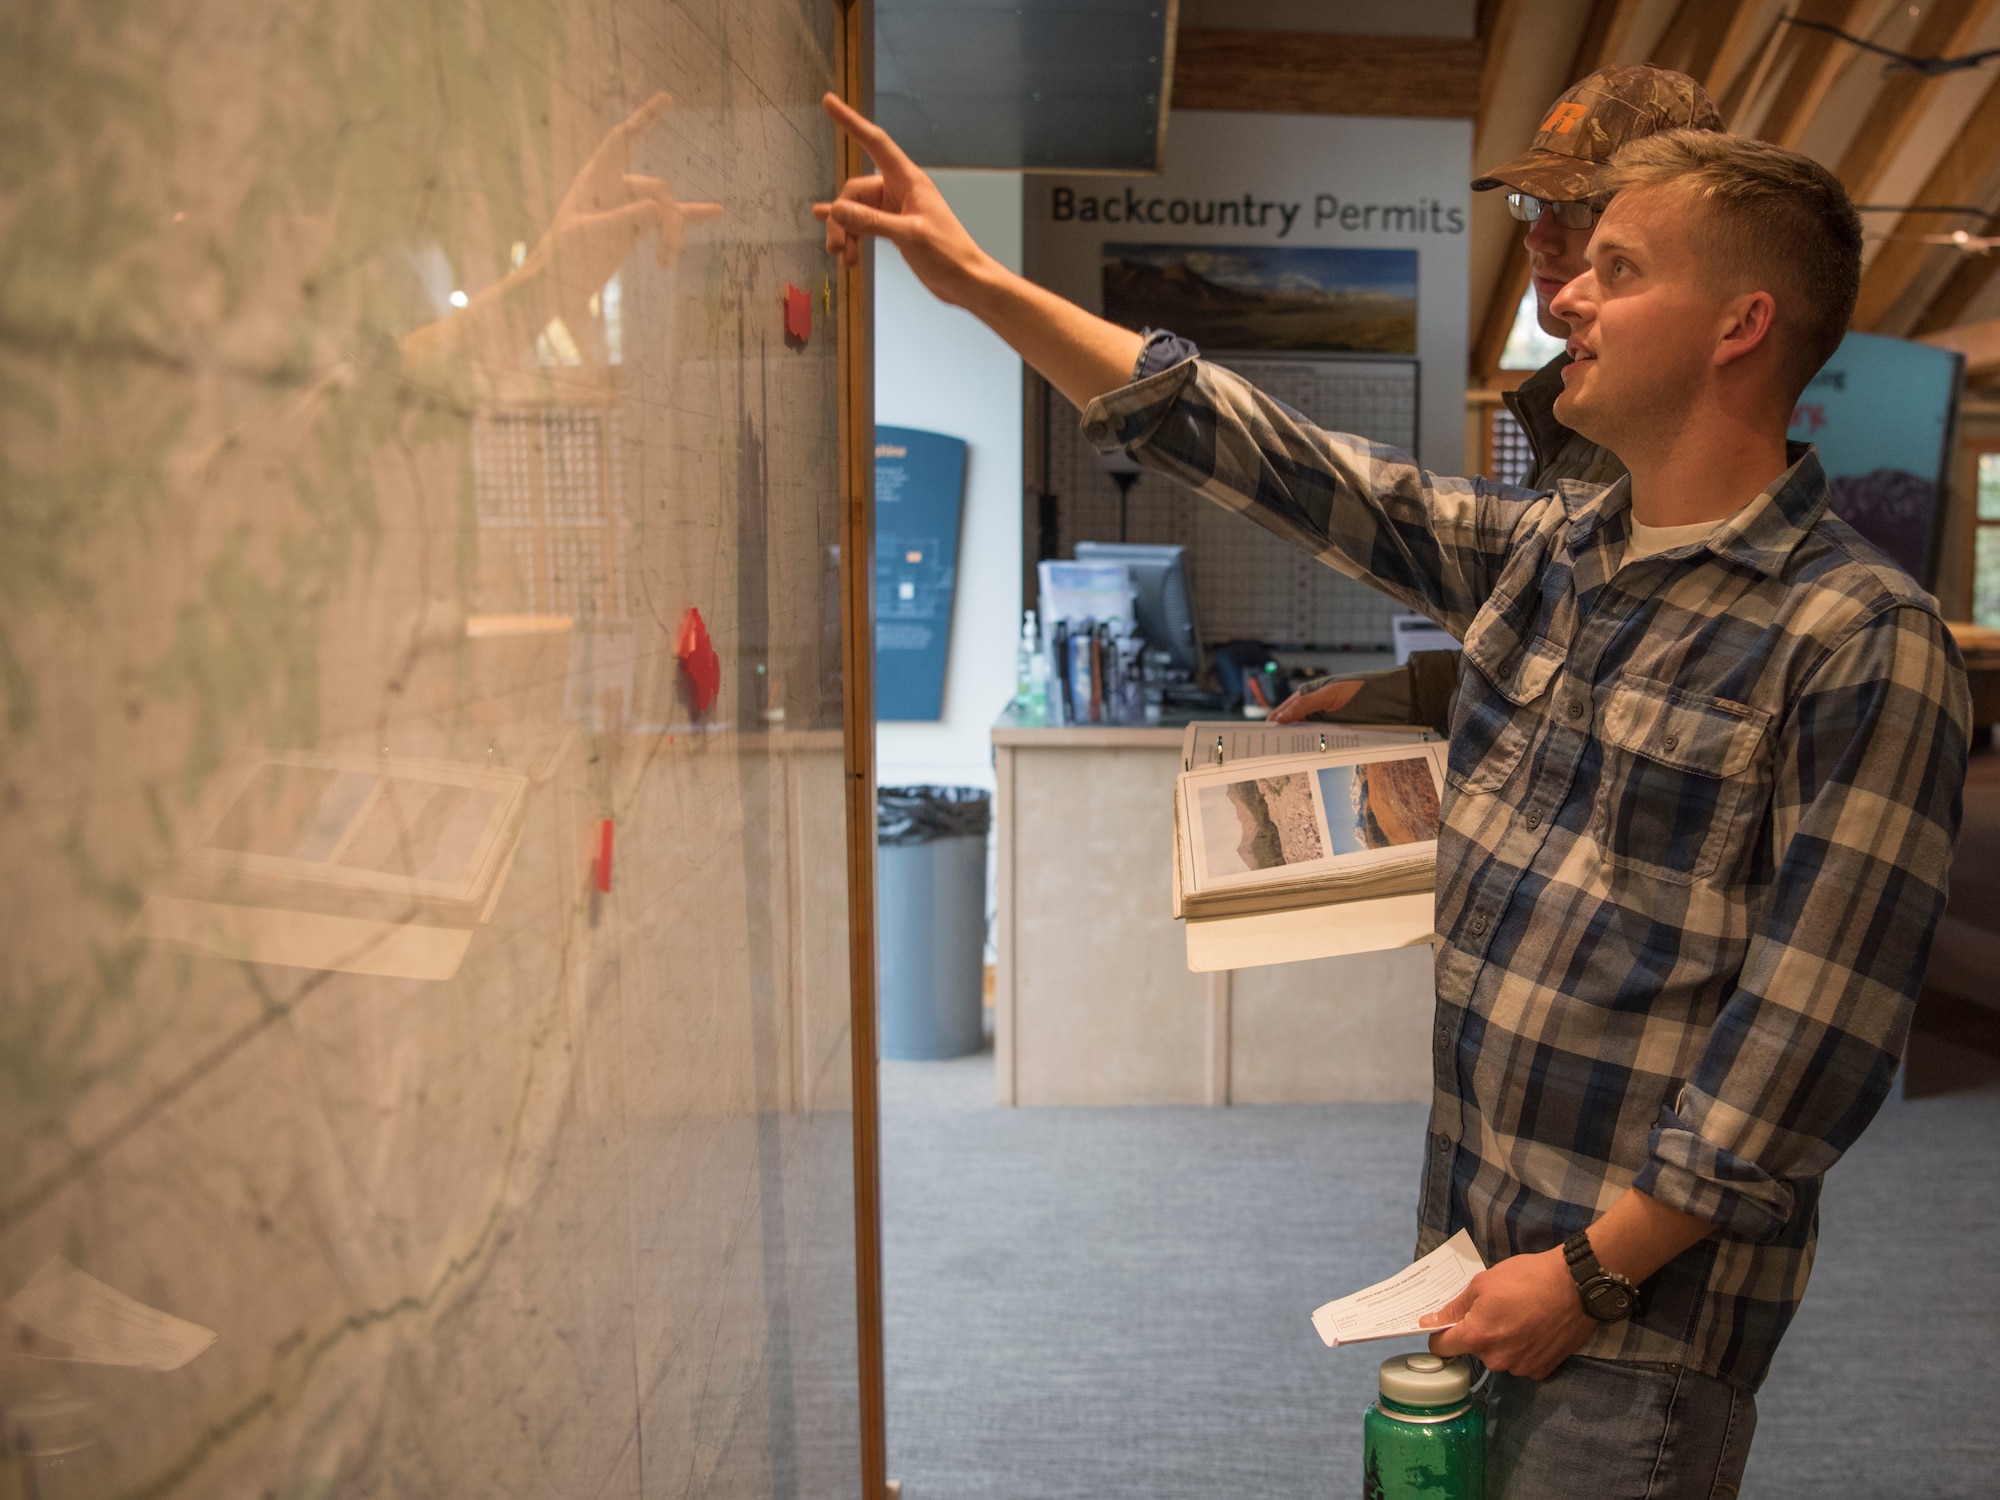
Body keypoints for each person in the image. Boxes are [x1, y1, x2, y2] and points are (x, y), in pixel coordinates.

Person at [814, 98, 1970, 1498]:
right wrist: (984, 287)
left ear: (1741, 325)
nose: (1568, 301)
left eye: (1618, 267)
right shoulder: (1557, 549)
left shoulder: (1857, 639)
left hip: (1637, 1319)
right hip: (1475, 1247)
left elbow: (1811, 1044)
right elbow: (1288, 462)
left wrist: (1592, 1275)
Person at [1272, 63, 1721, 731]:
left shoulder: (1671, 435)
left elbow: (1616, 687)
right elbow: (1560, 652)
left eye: (1574, 206)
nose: (1537, 237)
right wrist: (1415, 693)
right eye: (1533, 206)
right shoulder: (1576, 414)